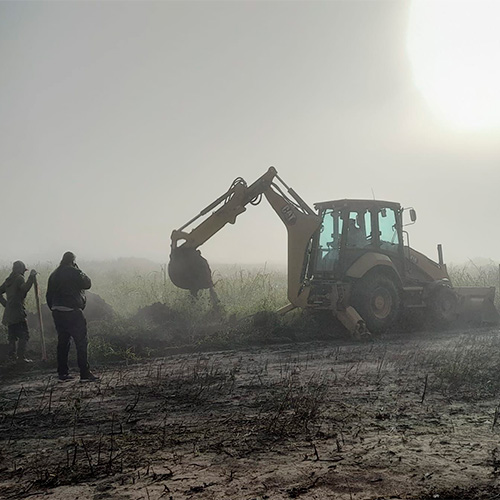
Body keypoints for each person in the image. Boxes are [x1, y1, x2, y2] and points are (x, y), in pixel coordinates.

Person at [46, 252, 99, 382]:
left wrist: (54, 308)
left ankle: (62, 373)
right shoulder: (74, 272)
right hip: (72, 311)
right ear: (73, 261)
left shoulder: (54, 274)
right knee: (81, 342)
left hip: (57, 311)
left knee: (63, 342)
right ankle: (84, 372)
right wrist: (79, 269)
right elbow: (87, 284)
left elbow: (48, 295)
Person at [0, 261, 37, 363]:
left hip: (9, 312)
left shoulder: (9, 280)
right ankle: (21, 357)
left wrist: (6, 304)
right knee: (24, 334)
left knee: (12, 335)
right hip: (18, 311)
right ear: (21, 269)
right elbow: (25, 289)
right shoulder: (19, 278)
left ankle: (12, 356)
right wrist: (31, 277)